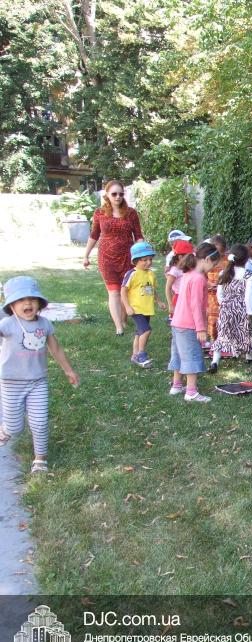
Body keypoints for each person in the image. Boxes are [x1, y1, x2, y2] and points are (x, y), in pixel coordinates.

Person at [0, 276, 78, 473]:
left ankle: (40, 458)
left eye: (32, 299)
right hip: (11, 383)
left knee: (40, 422)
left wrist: (68, 370)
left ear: (40, 303)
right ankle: (6, 429)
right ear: (11, 305)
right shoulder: (8, 324)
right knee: (15, 428)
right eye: (20, 300)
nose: (27, 303)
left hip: (37, 382)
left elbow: (55, 348)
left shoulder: (44, 324)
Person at [82, 180, 144, 336]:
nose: (118, 197)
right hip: (106, 258)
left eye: (121, 194)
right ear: (107, 195)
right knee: (114, 292)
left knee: (126, 290)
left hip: (128, 257)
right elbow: (94, 235)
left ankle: (123, 319)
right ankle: (119, 327)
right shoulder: (99, 213)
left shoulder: (131, 213)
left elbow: (138, 236)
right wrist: (86, 255)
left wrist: (142, 253)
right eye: (114, 194)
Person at [169, 242, 219, 402]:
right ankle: (191, 392)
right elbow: (196, 305)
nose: (212, 269)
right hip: (189, 325)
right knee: (192, 356)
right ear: (207, 260)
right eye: (213, 265)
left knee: (179, 354)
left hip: (177, 322)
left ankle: (177, 385)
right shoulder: (198, 279)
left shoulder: (188, 273)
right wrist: (201, 328)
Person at [209, 245, 252, 373]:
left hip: (225, 308)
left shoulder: (223, 273)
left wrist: (224, 305)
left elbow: (219, 294)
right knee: (246, 333)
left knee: (222, 335)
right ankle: (249, 357)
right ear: (246, 259)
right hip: (241, 309)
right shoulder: (249, 276)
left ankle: (214, 362)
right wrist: (249, 312)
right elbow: (248, 297)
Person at [121, 242, 166, 368]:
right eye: (144, 260)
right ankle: (141, 354)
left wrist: (159, 301)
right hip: (136, 309)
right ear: (136, 260)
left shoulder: (150, 273)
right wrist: (127, 307)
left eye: (150, 259)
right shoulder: (132, 274)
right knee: (146, 330)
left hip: (147, 308)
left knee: (139, 332)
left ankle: (134, 355)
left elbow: (152, 289)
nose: (148, 262)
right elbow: (123, 290)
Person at [205, 235, 228, 342]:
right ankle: (213, 336)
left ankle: (224, 336)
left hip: (224, 293)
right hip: (211, 294)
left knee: (223, 314)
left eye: (221, 252)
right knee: (212, 315)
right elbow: (202, 275)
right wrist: (208, 283)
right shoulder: (207, 260)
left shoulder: (228, 260)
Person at [165, 240, 194, 321]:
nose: (192, 260)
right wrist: (171, 305)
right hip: (179, 299)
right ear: (180, 257)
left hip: (188, 297)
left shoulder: (187, 268)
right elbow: (167, 288)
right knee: (179, 321)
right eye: (190, 257)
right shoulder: (174, 270)